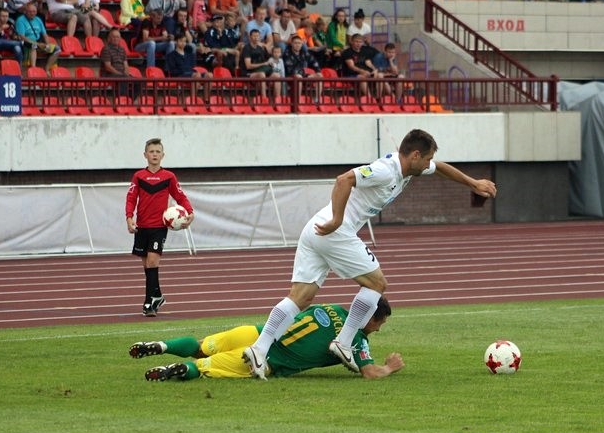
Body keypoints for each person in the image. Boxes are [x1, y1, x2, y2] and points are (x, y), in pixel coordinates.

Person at [242, 129, 497, 379]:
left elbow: (440, 167)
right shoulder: (385, 170)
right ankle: (343, 342)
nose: (430, 164)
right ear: (415, 155)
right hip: (334, 231)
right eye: (427, 158)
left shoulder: (409, 167)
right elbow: (344, 180)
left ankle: (259, 349)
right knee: (377, 283)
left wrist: (473, 183)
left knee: (301, 297)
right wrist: (337, 220)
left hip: (315, 230)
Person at [130, 298, 404, 381]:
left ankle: (163, 345)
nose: (379, 329)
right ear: (369, 319)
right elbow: (369, 372)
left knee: (201, 346)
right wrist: (390, 367)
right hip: (265, 360)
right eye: (380, 322)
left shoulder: (331, 308)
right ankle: (172, 372)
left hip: (255, 333)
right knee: (203, 368)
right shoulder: (356, 339)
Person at [125, 138, 194, 317]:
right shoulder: (138, 176)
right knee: (147, 265)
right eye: (151, 151)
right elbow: (131, 198)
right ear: (145, 155)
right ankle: (157, 295)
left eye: (158, 152)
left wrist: (190, 212)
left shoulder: (169, 177)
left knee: (153, 261)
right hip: (142, 226)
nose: (154, 154)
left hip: (159, 227)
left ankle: (149, 303)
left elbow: (180, 196)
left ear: (163, 155)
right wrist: (129, 218)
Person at [15, 2, 61, 71]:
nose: (32, 13)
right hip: (26, 43)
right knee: (34, 46)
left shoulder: (38, 19)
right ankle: (33, 68)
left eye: (34, 11)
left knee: (57, 49)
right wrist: (38, 44)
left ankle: (47, 68)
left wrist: (47, 45)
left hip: (39, 43)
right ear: (25, 12)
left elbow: (45, 34)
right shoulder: (20, 20)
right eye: (30, 12)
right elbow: (22, 37)